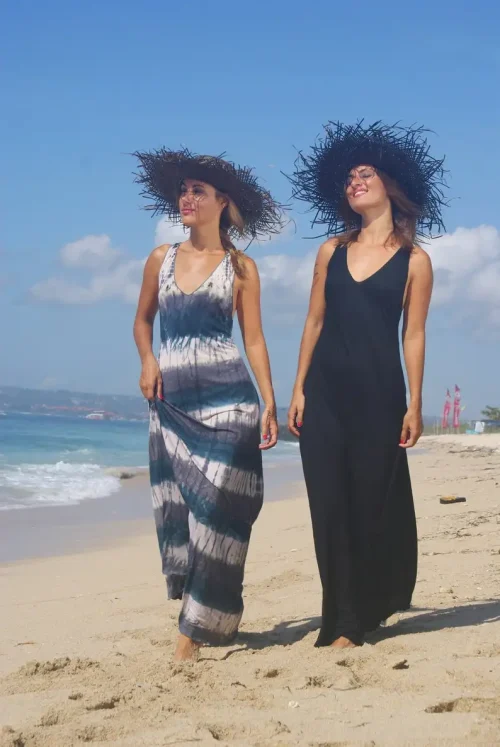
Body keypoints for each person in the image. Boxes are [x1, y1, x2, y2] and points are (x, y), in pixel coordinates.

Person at [287, 121, 448, 648]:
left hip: (381, 397)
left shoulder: (416, 261)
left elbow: (413, 334)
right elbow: (314, 321)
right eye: (350, 178)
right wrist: (298, 388)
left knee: (367, 505)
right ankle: (341, 621)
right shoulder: (330, 251)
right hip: (324, 394)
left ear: (390, 186)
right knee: (327, 506)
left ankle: (361, 613)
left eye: (365, 175)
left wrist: (416, 403)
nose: (354, 183)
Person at [133, 148, 283, 661]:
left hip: (230, 403)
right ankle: (209, 615)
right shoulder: (160, 258)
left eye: (199, 190)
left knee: (219, 510)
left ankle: (190, 634)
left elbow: (254, 339)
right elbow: (142, 321)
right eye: (183, 190)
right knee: (185, 512)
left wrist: (269, 400)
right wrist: (147, 360)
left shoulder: (242, 268)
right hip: (172, 400)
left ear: (224, 202)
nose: (187, 197)